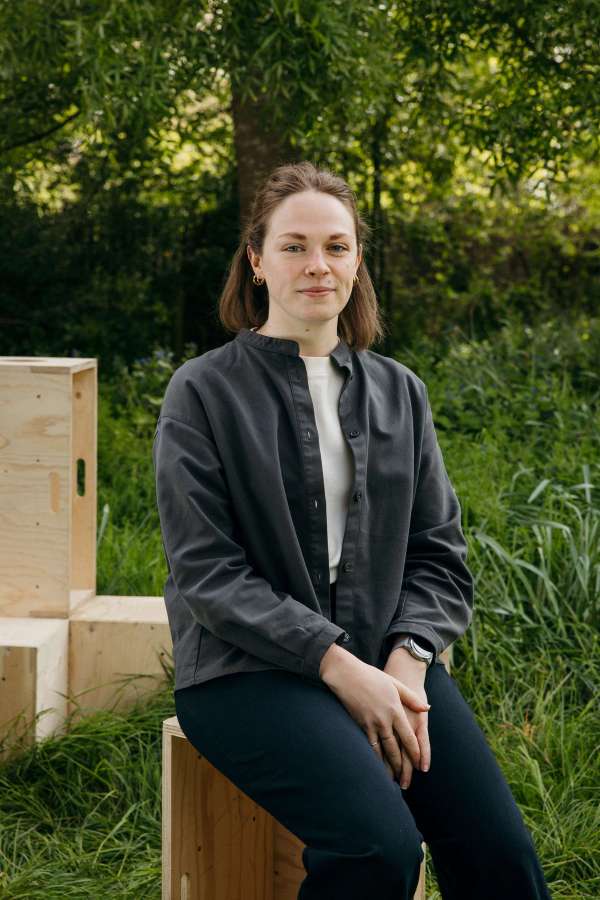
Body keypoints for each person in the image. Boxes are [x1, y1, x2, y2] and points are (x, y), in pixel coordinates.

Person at [152, 160, 552, 899]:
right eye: (295, 245)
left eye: (336, 246)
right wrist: (338, 666)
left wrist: (408, 659)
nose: (317, 265)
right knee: (377, 849)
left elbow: (440, 557)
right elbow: (208, 575)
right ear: (257, 260)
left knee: (500, 856)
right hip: (245, 673)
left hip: (386, 661)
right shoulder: (202, 392)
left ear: (357, 260)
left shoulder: (400, 392)